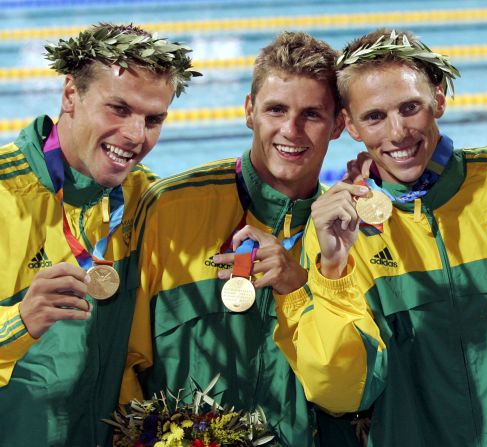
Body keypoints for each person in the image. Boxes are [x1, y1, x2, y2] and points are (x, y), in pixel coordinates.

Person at [274, 29, 487, 446]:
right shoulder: (339, 232)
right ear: (349, 125)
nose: (398, 132)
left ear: (438, 100)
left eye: (410, 108)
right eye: (374, 116)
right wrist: (333, 268)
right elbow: (341, 393)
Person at [121, 31, 346, 446]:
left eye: (311, 115)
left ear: (339, 125)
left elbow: (349, 385)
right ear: (249, 111)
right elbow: (126, 364)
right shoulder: (171, 207)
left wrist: (302, 287)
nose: (290, 131)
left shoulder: (345, 233)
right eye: (276, 109)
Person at [0, 23, 197, 446]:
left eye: (153, 119)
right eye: (119, 109)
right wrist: (19, 322)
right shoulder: (4, 192)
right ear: (71, 94)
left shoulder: (146, 199)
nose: (135, 136)